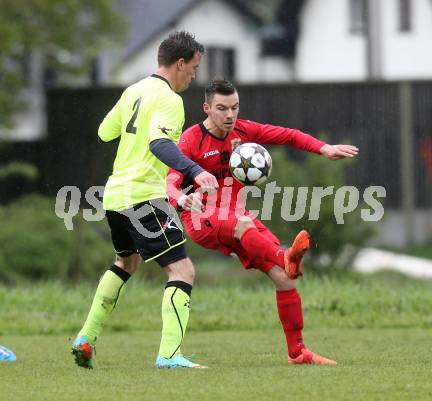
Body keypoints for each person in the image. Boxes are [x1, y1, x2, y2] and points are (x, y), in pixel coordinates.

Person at [166, 78, 359, 365]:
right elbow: (169, 182)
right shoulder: (191, 140)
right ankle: (285, 256)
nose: (230, 115)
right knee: (255, 236)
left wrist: (323, 148)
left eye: (234, 107)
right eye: (222, 108)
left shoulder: (244, 130)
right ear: (206, 108)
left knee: (284, 279)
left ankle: (298, 352)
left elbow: (289, 135)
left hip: (236, 215)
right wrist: (180, 199)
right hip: (201, 218)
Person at [71, 31, 219, 370]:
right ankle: (169, 355)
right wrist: (194, 170)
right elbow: (159, 144)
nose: (194, 76)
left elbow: (104, 132)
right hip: (144, 197)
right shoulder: (169, 99)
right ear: (179, 63)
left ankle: (85, 338)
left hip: (115, 196)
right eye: (193, 68)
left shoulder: (133, 90)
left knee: (126, 263)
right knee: (182, 270)